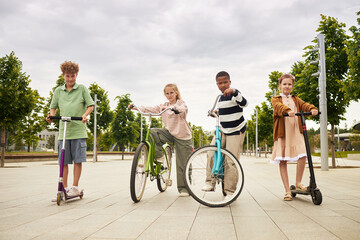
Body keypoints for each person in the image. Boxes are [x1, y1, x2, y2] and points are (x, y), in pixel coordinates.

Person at [129, 83, 193, 197]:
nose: (169, 95)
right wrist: (135, 107)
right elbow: (152, 109)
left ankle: (185, 188)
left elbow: (182, 110)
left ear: (176, 92)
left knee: (183, 163)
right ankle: (159, 156)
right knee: (153, 132)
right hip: (170, 133)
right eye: (167, 93)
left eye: (171, 93)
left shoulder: (180, 104)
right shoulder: (164, 105)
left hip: (183, 136)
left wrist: (173, 108)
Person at [46, 61, 94, 198]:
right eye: (68, 76)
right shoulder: (58, 91)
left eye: (73, 76)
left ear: (76, 75)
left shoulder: (82, 89)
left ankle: (74, 187)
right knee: (64, 161)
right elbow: (53, 107)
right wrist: (52, 117)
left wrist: (85, 115)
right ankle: (64, 187)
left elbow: (90, 105)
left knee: (77, 160)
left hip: (78, 130)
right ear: (63, 75)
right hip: (64, 131)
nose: (70, 79)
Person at [201, 71, 248, 200]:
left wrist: (234, 92)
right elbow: (224, 111)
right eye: (220, 83)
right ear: (217, 84)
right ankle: (209, 182)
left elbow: (244, 103)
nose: (223, 85)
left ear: (229, 82)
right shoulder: (220, 98)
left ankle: (229, 192)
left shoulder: (234, 94)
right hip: (223, 129)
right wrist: (215, 112)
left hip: (236, 129)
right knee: (211, 152)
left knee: (231, 160)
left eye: (225, 82)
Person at [271, 74, 318, 201]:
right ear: (280, 85)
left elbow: (305, 105)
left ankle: (298, 183)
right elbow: (278, 108)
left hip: (296, 131)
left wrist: (312, 109)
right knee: (283, 160)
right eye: (284, 84)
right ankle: (287, 190)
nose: (287, 86)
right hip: (283, 132)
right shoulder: (276, 99)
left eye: (289, 84)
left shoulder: (296, 99)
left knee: (303, 155)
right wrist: (287, 110)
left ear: (292, 86)